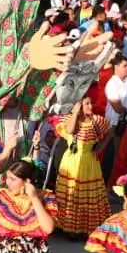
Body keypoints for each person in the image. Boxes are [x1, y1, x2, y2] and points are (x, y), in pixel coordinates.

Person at [50, 97, 112, 238]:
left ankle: (85, 228)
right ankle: (68, 228)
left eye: (91, 102)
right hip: (72, 162)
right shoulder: (69, 120)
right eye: (87, 104)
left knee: (88, 195)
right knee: (71, 193)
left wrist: (100, 148)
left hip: (89, 162)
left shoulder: (97, 121)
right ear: (78, 106)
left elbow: (110, 132)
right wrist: (75, 112)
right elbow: (70, 131)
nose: (91, 106)